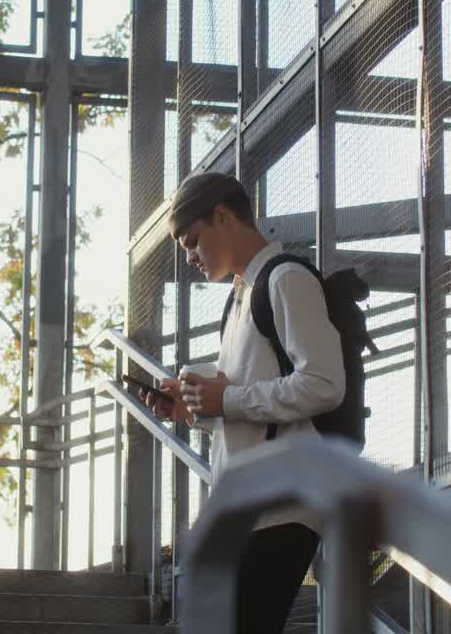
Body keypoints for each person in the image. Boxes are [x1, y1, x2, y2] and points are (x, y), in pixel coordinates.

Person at [147, 171, 346, 634]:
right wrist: (195, 409)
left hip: (282, 506)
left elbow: (323, 383)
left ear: (222, 217)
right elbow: (252, 410)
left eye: (193, 241)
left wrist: (229, 398)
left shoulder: (286, 279)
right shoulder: (238, 300)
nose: (191, 258)